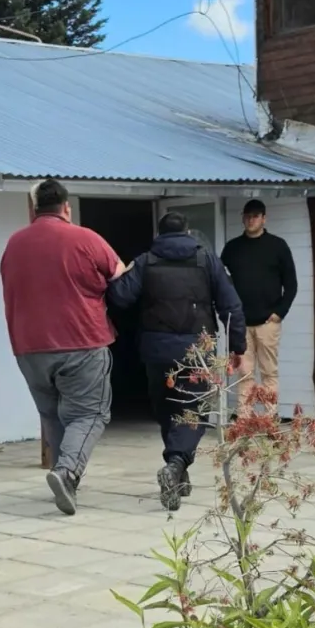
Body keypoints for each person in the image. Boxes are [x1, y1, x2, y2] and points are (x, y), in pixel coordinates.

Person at [0, 178, 125, 516]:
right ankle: (66, 473)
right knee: (90, 413)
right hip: (80, 341)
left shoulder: (14, 243)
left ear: (33, 210)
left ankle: (64, 477)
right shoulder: (84, 238)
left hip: (28, 347)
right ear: (66, 208)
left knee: (52, 415)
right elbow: (120, 275)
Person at [108, 211, 246, 511]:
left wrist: (123, 272)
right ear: (187, 231)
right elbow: (230, 304)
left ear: (159, 233)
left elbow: (119, 297)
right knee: (193, 412)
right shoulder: (206, 260)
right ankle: (175, 464)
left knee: (168, 410)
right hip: (197, 349)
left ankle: (178, 472)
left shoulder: (146, 261)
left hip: (156, 349)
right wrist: (238, 345)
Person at [220, 199, 298, 413]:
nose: (250, 220)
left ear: (264, 218)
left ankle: (269, 419)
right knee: (244, 374)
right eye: (247, 216)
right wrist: (227, 313)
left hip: (267, 322)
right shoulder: (232, 248)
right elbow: (221, 282)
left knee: (268, 373)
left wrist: (279, 313)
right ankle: (244, 423)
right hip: (240, 322)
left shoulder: (277, 246)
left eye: (255, 216)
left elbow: (291, 284)